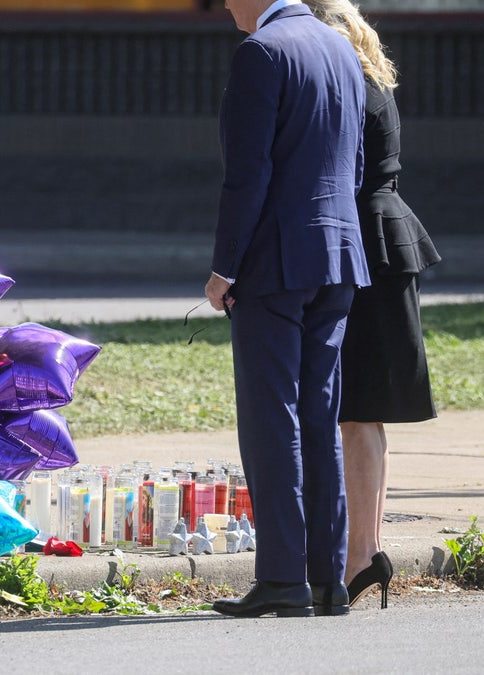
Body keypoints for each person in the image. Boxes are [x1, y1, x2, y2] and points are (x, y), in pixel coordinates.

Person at [205, 0, 370, 618]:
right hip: (336, 257)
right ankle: (327, 579)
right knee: (319, 416)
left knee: (272, 417)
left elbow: (247, 174)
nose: (224, 4)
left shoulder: (262, 51)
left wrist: (224, 267)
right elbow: (351, 167)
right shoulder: (340, 48)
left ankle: (280, 577)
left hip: (274, 261)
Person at [306, 0, 441, 610]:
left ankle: (360, 555)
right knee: (366, 410)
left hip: (365, 242)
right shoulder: (371, 72)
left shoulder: (346, 82)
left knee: (356, 408)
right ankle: (366, 551)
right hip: (387, 238)